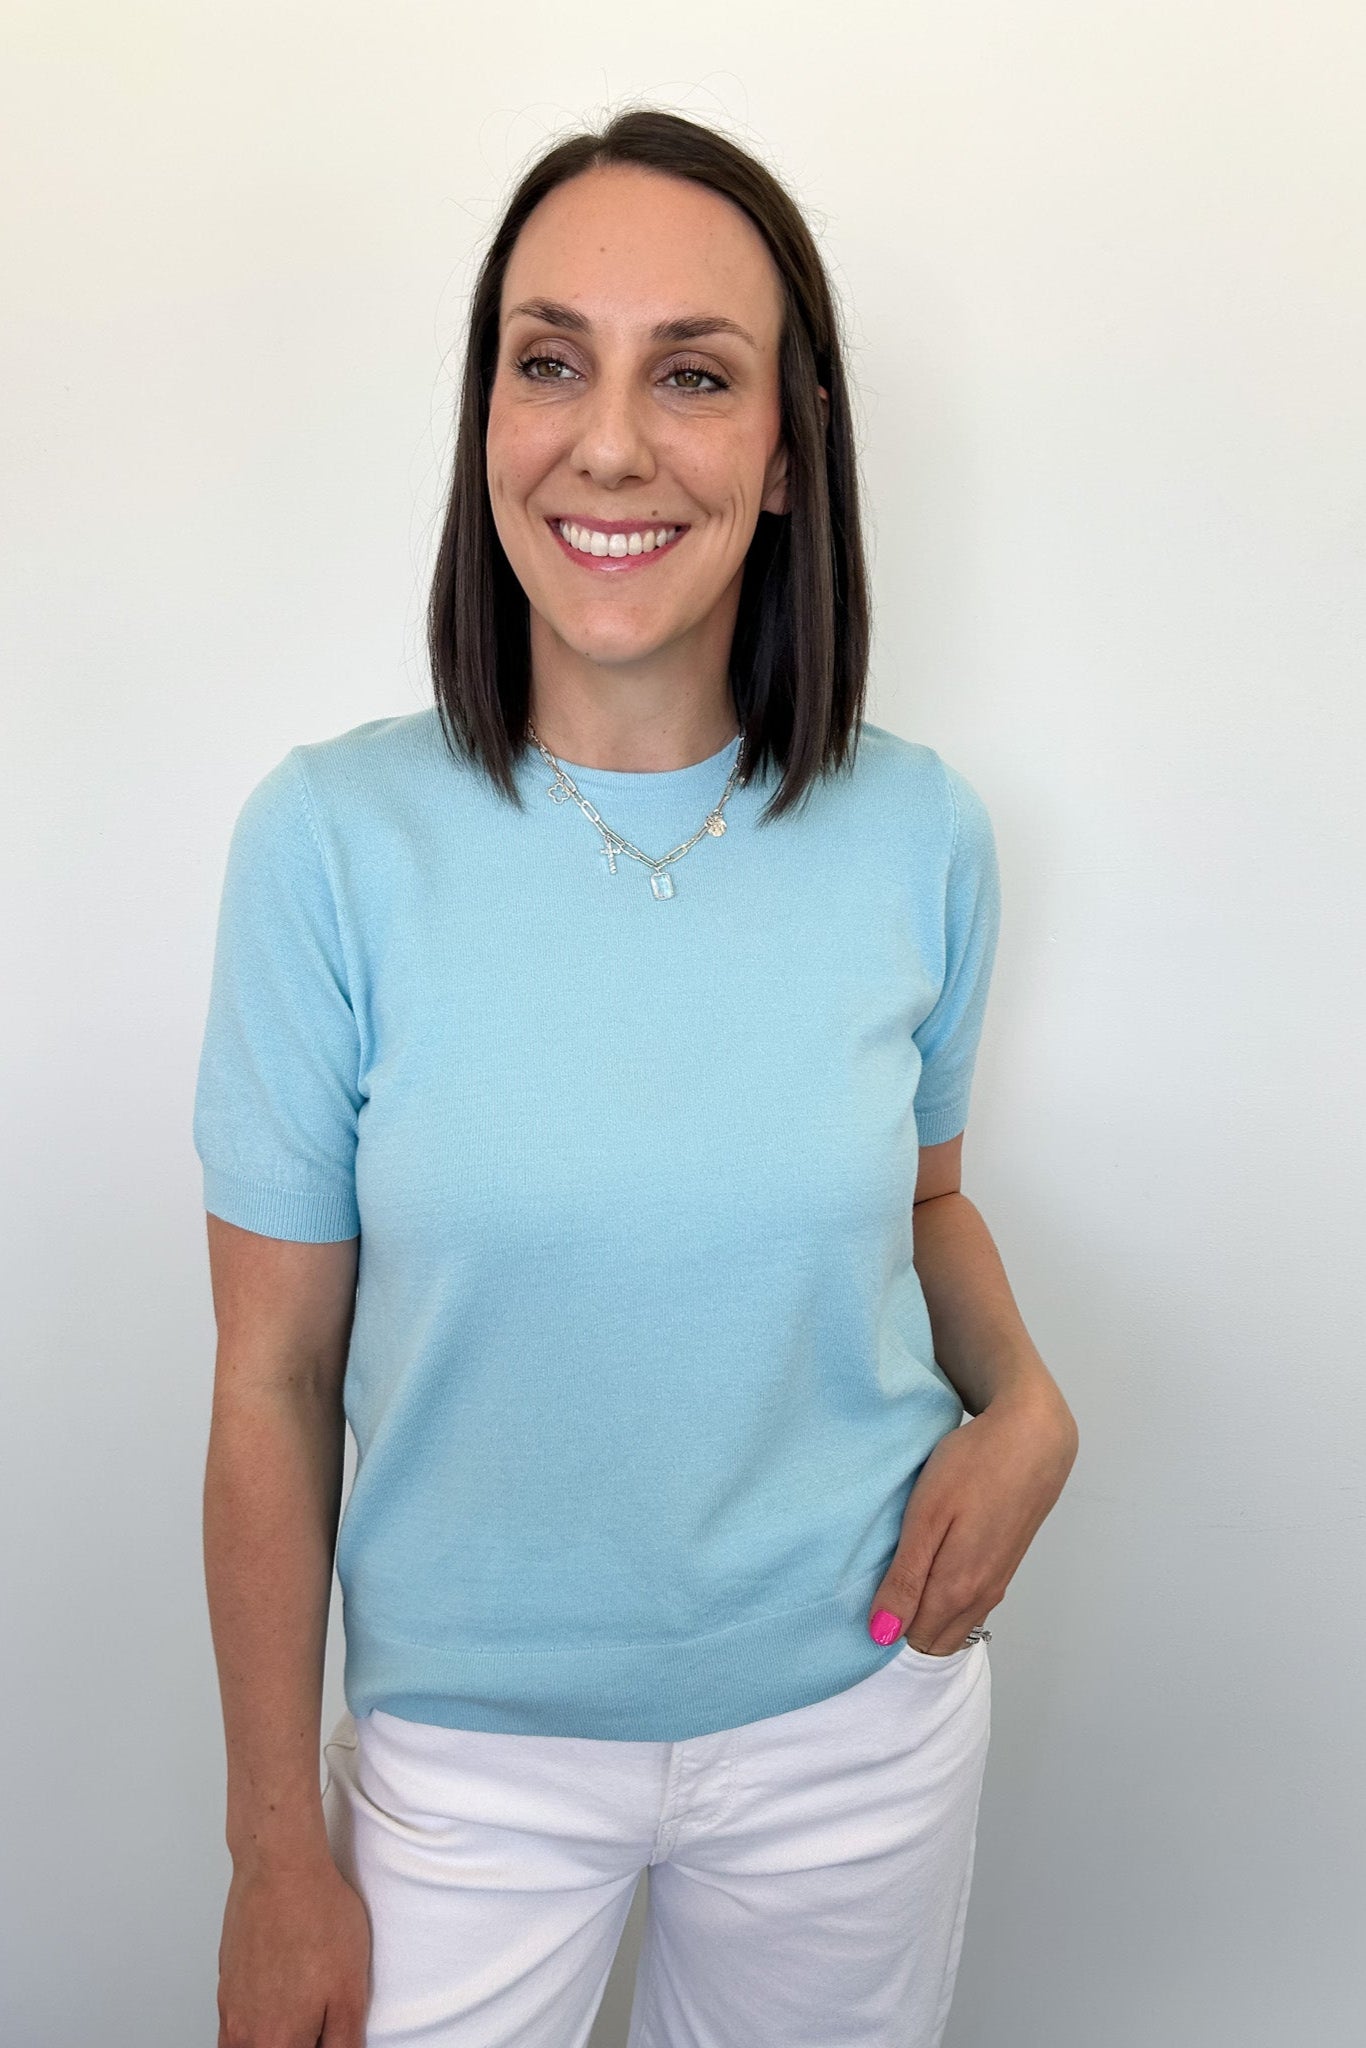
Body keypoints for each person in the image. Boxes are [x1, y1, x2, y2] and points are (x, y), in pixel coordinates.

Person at [194, 108, 1079, 2048]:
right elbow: (270, 1377)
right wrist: (272, 1854)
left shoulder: (921, 831)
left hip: (856, 1716)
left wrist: (1024, 1404)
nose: (606, 443)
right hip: (464, 1760)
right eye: (548, 362)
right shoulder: (329, 843)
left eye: (690, 374)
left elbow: (921, 1200)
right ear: (485, 420)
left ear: (786, 451)